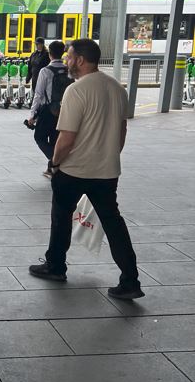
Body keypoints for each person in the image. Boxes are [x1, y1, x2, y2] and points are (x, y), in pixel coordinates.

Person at [28, 38, 143, 300]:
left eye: (69, 57)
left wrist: (55, 164)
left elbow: (66, 137)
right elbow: (122, 131)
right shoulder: (117, 88)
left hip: (74, 170)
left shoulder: (76, 91)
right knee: (114, 224)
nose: (66, 61)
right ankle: (131, 280)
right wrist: (109, 155)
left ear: (80, 60)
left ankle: (55, 266)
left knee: (60, 218)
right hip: (106, 172)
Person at [27, 40, 70, 177]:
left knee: (39, 137)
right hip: (64, 110)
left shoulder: (45, 71)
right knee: (55, 139)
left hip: (48, 110)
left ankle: (56, 162)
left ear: (50, 54)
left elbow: (38, 95)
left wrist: (32, 115)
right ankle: (51, 170)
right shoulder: (68, 70)